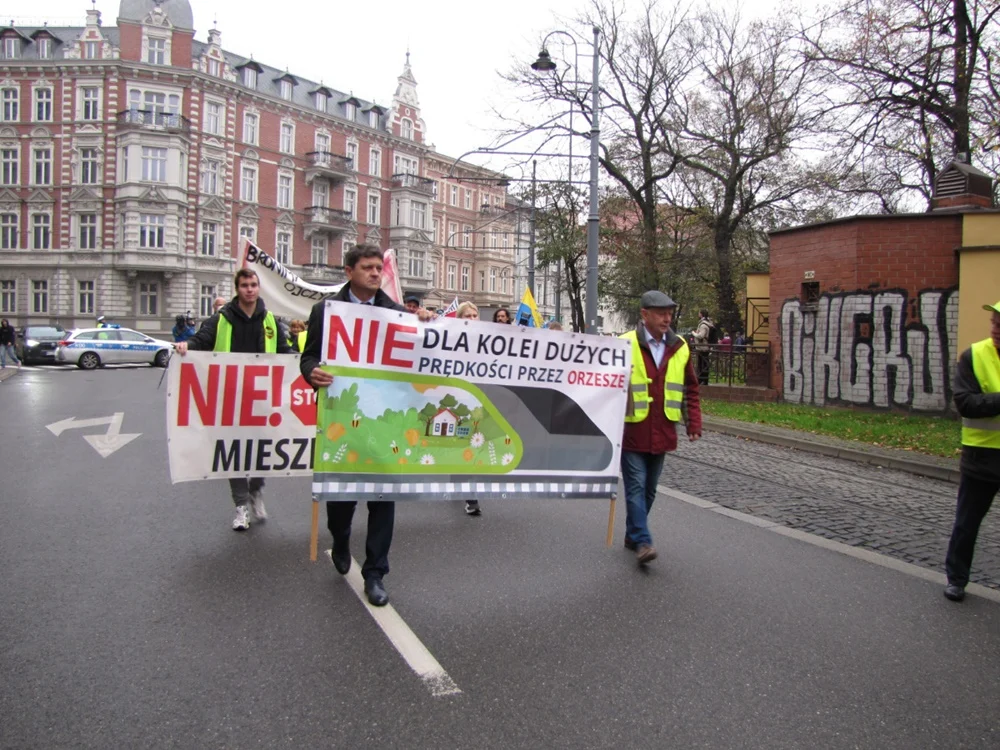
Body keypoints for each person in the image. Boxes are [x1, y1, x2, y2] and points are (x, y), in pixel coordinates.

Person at [300, 245, 434, 607]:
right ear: (349, 271)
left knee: (382, 499)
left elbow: (421, 353)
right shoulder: (324, 311)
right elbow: (309, 355)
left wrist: (424, 322)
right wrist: (311, 372)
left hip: (385, 422)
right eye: (367, 268)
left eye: (379, 268)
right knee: (341, 502)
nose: (376, 273)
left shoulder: (396, 313)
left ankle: (375, 573)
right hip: (343, 419)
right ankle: (341, 540)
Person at [175, 268, 291, 531]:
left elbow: (285, 351)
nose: (249, 289)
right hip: (229, 400)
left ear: (258, 288)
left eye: (253, 285)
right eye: (244, 285)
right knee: (234, 455)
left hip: (262, 401)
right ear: (237, 289)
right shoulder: (222, 318)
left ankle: (256, 491)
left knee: (262, 453)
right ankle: (241, 507)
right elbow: (202, 340)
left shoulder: (271, 320)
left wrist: (303, 361)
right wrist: (187, 346)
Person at [619, 290, 702, 566]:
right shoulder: (624, 344)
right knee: (635, 486)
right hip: (632, 429)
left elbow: (690, 387)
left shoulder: (679, 346)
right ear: (645, 315)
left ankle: (633, 534)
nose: (667, 319)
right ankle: (643, 541)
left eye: (669, 313)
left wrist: (693, 422)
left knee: (649, 490)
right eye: (661, 313)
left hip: (663, 430)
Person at [943, 300, 1000, 602]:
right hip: (981, 456)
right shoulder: (974, 356)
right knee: (967, 524)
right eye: (993, 322)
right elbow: (965, 403)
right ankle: (956, 578)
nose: (995, 329)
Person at [455, 301, 484, 516]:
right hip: (457, 402)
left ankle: (471, 497)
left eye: (475, 315)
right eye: (467, 315)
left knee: (473, 447)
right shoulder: (450, 339)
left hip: (479, 403)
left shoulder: (487, 341)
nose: (472, 319)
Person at [691, 309, 716, 385]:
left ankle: (702, 380)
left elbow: (701, 336)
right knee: (704, 364)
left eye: (699, 313)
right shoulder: (707, 323)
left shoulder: (703, 325)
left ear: (701, 314)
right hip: (704, 347)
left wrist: (694, 333)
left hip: (702, 347)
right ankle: (704, 380)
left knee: (702, 364)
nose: (698, 314)